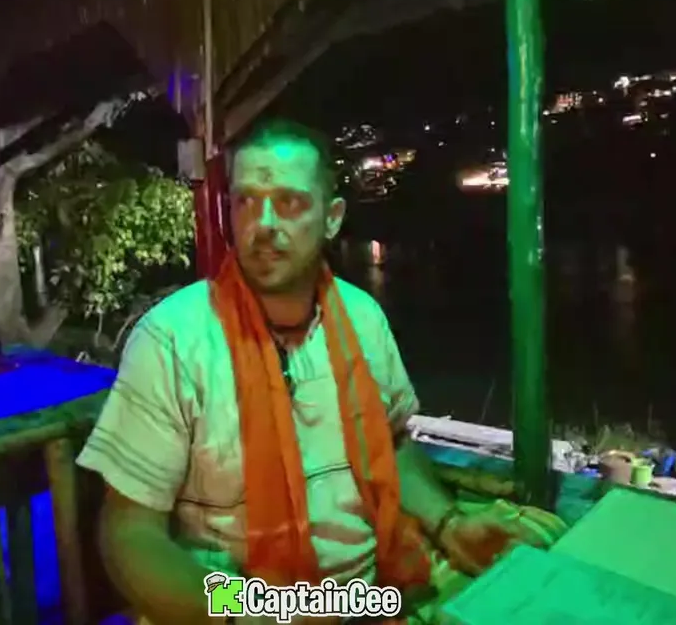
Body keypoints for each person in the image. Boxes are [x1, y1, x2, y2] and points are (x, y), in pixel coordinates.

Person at [79, 119, 565, 624]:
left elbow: (392, 445)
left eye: (289, 202)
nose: (263, 223)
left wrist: (449, 523)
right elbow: (128, 534)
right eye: (246, 202)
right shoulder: (174, 340)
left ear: (332, 219)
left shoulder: (362, 319)